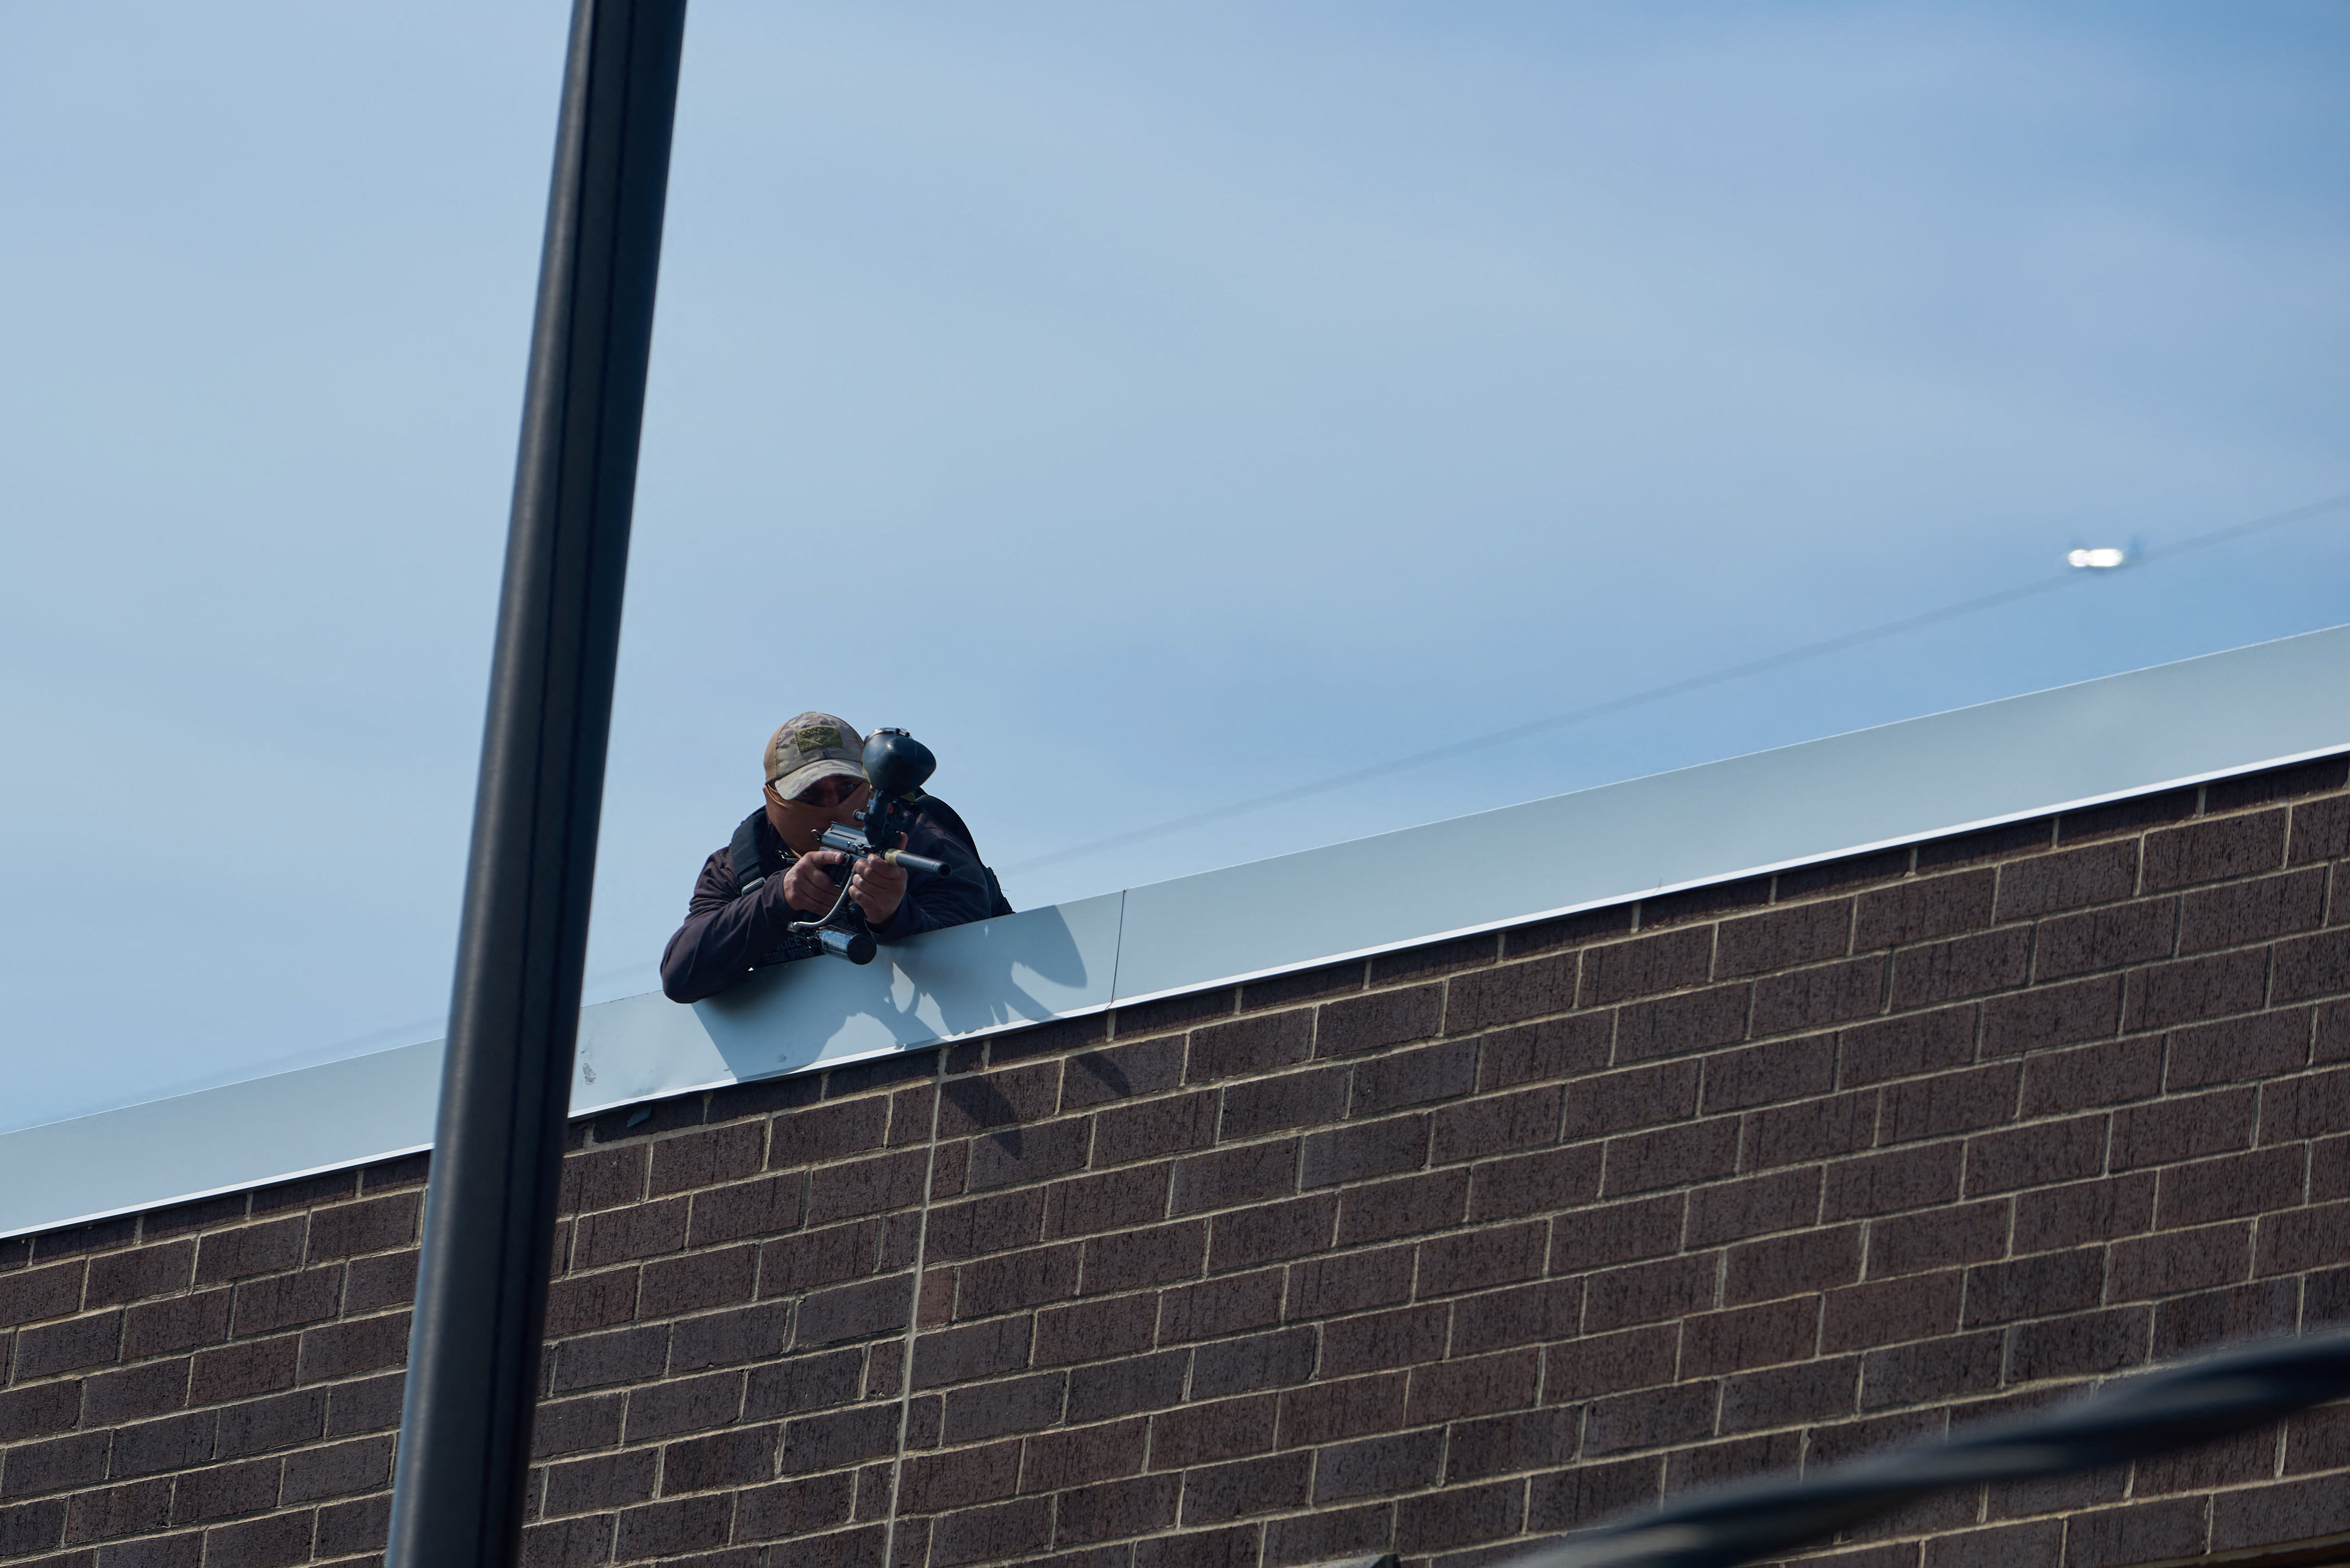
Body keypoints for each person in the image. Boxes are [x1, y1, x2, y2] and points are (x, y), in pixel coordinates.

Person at [659, 712, 1003, 1003]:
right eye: (811, 793)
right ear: (775, 798)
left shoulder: (920, 840)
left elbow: (975, 960)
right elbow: (682, 976)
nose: (832, 803)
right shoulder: (741, 865)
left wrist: (893, 915)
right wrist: (777, 898)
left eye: (846, 787)